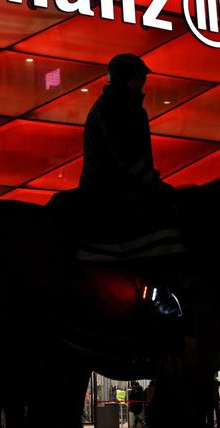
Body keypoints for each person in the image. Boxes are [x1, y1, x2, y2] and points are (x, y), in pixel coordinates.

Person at [74, 53, 183, 318]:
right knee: (162, 227)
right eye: (140, 77)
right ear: (130, 78)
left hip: (117, 184)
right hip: (111, 189)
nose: (143, 82)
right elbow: (125, 154)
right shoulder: (115, 107)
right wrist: (151, 184)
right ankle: (156, 293)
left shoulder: (119, 105)